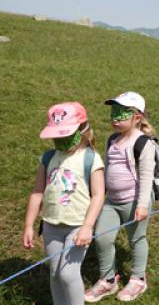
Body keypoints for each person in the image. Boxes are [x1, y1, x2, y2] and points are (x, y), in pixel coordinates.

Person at [23, 102, 105, 305]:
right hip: (51, 227)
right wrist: (28, 225)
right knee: (55, 274)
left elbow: (98, 195)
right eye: (56, 135)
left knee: (68, 274)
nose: (59, 140)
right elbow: (37, 192)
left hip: (77, 227)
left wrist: (87, 226)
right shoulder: (48, 158)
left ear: (82, 130)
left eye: (65, 135)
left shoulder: (91, 159)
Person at [85, 92, 156, 302]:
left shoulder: (143, 143)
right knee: (103, 237)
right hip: (112, 201)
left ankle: (138, 279)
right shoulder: (111, 140)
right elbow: (108, 168)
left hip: (135, 201)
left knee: (137, 239)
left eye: (122, 113)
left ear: (137, 117)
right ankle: (108, 280)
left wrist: (142, 205)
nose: (115, 118)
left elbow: (146, 176)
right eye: (113, 112)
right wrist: (100, 194)